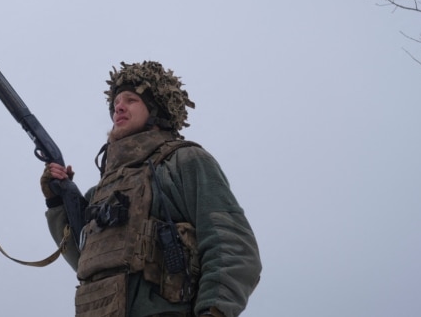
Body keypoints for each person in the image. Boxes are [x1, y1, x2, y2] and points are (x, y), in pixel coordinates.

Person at [40, 61, 261, 317]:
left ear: (157, 110)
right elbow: (85, 263)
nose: (118, 107)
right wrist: (56, 202)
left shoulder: (184, 162)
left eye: (131, 100)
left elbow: (233, 247)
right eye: (116, 103)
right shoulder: (102, 191)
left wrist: (214, 311)